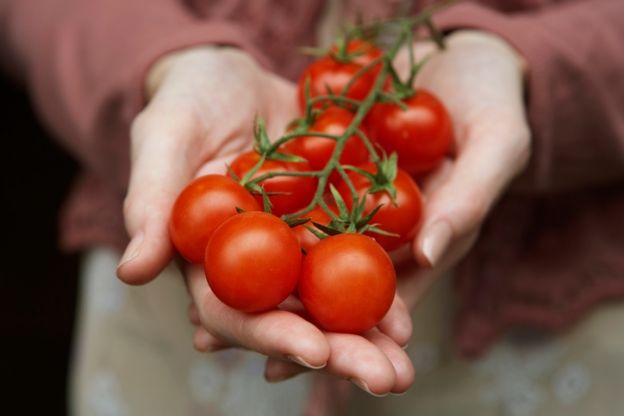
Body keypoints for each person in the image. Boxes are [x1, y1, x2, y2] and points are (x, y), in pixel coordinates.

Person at [2, 0, 623, 414]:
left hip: (546, 341)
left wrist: (526, 61)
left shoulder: (312, 182)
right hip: (164, 345)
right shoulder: (315, 179)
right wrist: (163, 62)